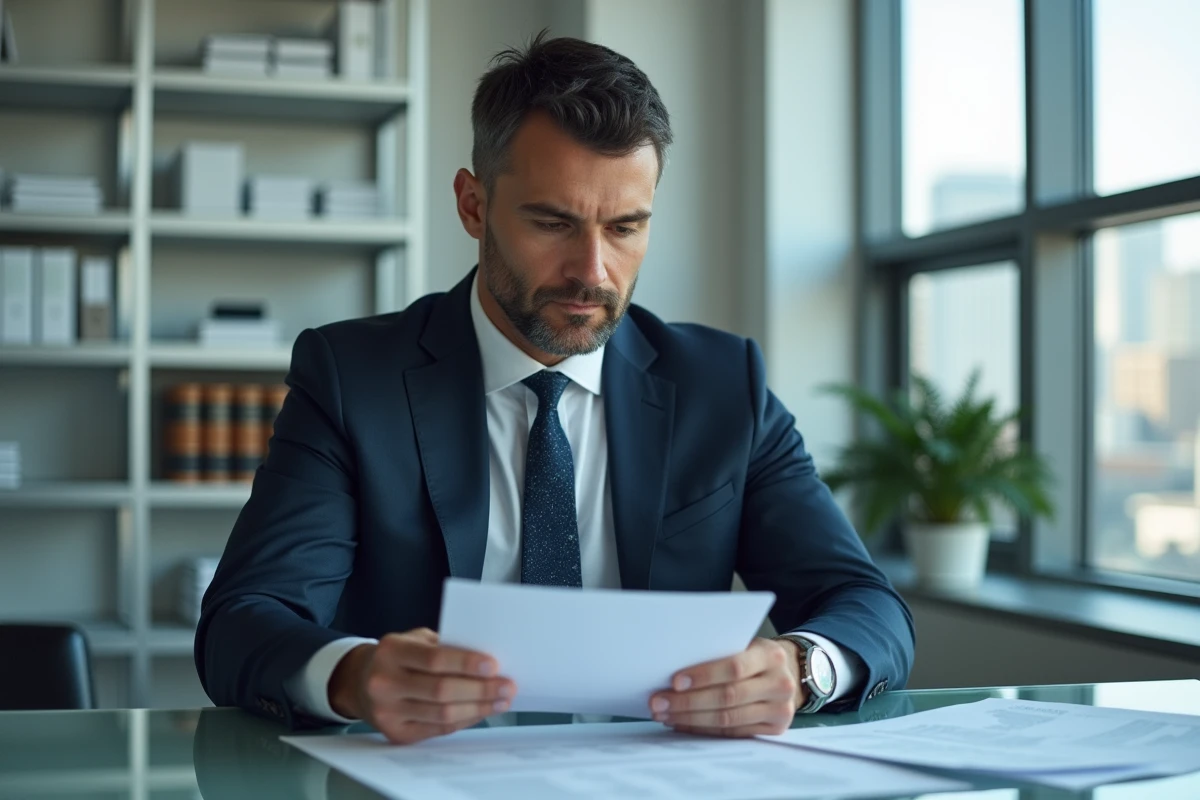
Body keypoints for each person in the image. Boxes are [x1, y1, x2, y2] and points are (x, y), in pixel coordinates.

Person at [195, 32, 914, 745]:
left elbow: (864, 605)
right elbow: (243, 619)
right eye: (553, 223)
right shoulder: (353, 379)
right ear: (474, 206)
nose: (593, 271)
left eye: (626, 227)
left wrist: (803, 667)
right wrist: (353, 675)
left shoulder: (725, 387)